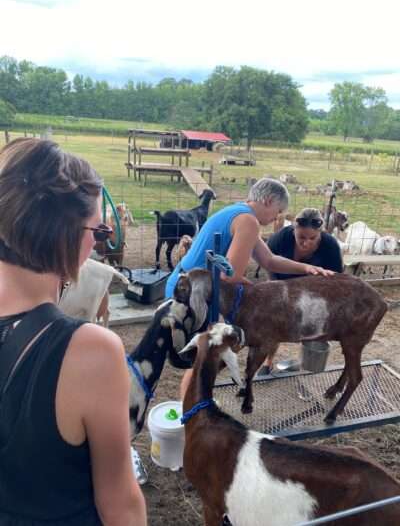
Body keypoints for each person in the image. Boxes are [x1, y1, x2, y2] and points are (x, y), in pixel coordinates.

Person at [0, 138, 147, 526]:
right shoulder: (90, 351)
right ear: (70, 235)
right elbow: (120, 504)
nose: (97, 243)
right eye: (98, 230)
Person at [164, 178, 334, 397]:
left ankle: (192, 404)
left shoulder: (239, 213)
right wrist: (244, 280)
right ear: (268, 200)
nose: (276, 217)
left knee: (206, 354)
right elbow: (230, 274)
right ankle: (190, 408)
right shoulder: (248, 221)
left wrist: (307, 267)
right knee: (204, 358)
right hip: (191, 294)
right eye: (278, 211)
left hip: (185, 284)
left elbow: (269, 260)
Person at [258, 206, 343, 375]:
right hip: (282, 283)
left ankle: (306, 358)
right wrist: (276, 287)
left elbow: (336, 278)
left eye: (313, 238)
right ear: (293, 230)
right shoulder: (280, 238)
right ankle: (268, 362)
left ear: (321, 233)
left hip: (312, 289)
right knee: (273, 323)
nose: (306, 242)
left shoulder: (330, 246)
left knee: (310, 325)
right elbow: (268, 264)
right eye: (301, 237)